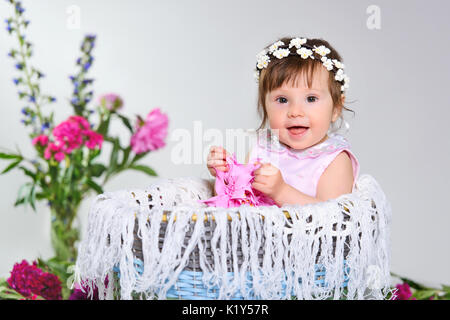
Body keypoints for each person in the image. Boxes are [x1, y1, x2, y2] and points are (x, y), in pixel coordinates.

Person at [207, 37, 360, 207]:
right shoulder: (264, 147)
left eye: (310, 98)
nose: (295, 112)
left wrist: (281, 192)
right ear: (265, 106)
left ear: (336, 108)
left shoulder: (334, 159)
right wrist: (226, 176)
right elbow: (236, 206)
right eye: (282, 100)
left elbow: (331, 220)